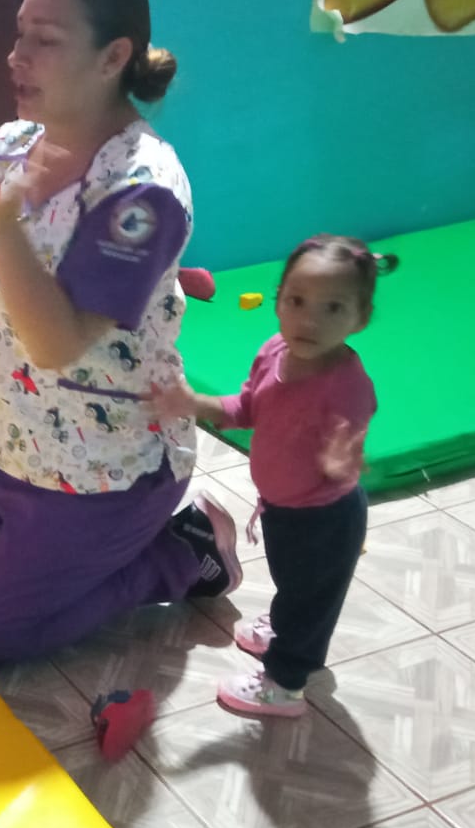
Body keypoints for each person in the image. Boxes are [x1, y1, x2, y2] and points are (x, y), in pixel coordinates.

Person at [0, 0, 240, 666]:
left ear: (113, 57)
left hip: (107, 470)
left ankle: (182, 552)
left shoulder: (143, 190)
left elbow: (56, 344)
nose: (16, 56)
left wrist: (8, 220)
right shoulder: (15, 143)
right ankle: (36, 547)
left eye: (44, 40)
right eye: (20, 35)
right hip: (10, 438)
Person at [149, 236, 387, 718]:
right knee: (292, 584)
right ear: (278, 300)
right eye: (297, 301)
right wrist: (192, 403)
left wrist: (344, 459)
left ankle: (285, 684)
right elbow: (247, 408)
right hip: (282, 508)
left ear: (360, 318)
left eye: (332, 307)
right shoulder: (274, 351)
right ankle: (284, 627)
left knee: (310, 600)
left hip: (326, 518)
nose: (309, 320)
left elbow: (351, 434)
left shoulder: (346, 386)